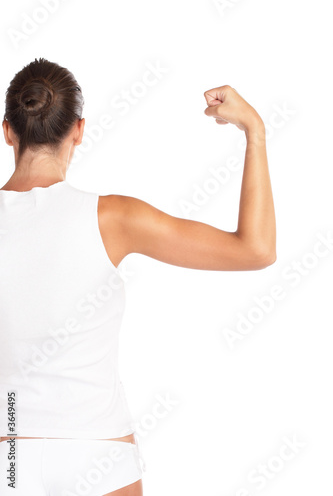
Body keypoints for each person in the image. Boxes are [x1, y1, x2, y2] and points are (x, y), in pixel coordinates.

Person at [0, 58, 276, 496]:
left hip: (10, 457)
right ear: (78, 130)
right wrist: (254, 132)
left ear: (8, 130)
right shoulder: (114, 217)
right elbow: (256, 249)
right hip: (100, 452)